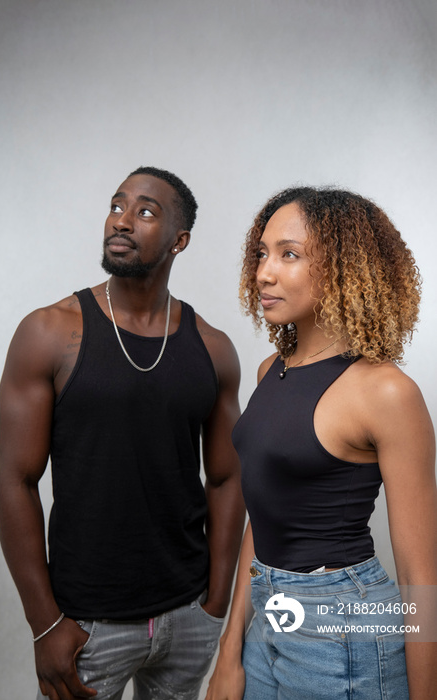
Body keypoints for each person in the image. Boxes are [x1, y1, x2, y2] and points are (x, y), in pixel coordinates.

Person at [0, 166, 245, 700]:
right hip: (87, 623)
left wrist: (216, 603)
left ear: (180, 240)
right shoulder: (50, 332)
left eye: (145, 211)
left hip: (188, 614)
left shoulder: (214, 348)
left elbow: (226, 479)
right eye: (116, 205)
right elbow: (14, 481)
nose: (122, 221)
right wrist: (45, 624)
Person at [206, 186, 437, 700]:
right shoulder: (270, 371)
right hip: (266, 615)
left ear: (344, 268)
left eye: (289, 254)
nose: (264, 272)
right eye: (261, 253)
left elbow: (421, 577)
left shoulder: (387, 392)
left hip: (344, 626)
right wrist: (228, 654)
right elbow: (264, 518)